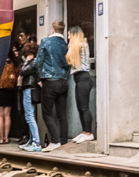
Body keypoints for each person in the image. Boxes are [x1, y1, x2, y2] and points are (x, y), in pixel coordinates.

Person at [35, 20, 70, 151]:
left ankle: (55, 141)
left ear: (53, 29)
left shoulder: (46, 42)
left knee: (47, 114)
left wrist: (39, 78)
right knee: (62, 114)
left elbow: (39, 61)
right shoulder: (66, 45)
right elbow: (68, 63)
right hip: (63, 81)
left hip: (49, 81)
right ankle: (63, 140)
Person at [66, 26, 95, 143]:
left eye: (69, 35)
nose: (68, 37)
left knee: (84, 107)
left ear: (74, 35)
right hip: (79, 79)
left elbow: (70, 58)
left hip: (84, 78)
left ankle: (88, 132)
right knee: (80, 107)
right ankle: (84, 131)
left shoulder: (80, 45)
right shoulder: (78, 46)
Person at [17, 41, 42, 152]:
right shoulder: (35, 61)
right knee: (30, 115)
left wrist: (26, 61)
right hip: (30, 88)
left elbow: (22, 71)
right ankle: (31, 141)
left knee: (29, 116)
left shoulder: (33, 61)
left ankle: (36, 142)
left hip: (29, 88)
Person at [0, 49, 20, 144]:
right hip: (10, 91)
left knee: (0, 115)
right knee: (7, 115)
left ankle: (1, 139)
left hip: (0, 90)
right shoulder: (14, 62)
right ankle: (7, 138)